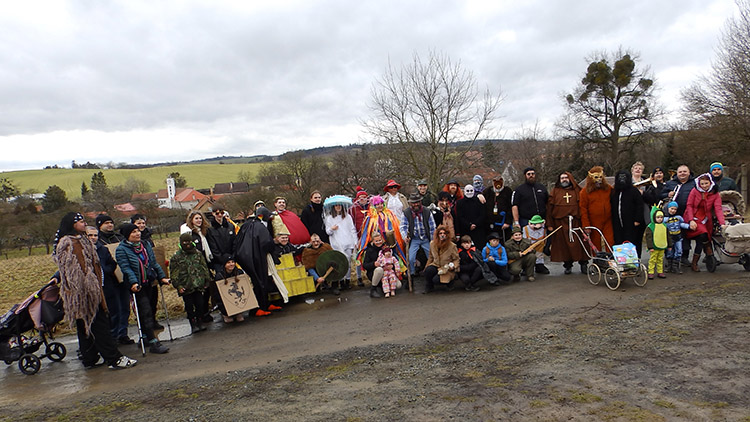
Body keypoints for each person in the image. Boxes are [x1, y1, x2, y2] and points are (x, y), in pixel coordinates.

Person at [53, 212, 137, 369]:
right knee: (99, 326)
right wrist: (87, 289)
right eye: (80, 221)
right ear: (72, 224)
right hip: (84, 293)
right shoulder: (68, 243)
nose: (84, 223)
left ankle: (89, 358)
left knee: (87, 325)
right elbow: (73, 271)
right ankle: (114, 359)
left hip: (91, 290)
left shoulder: (81, 240)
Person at [115, 223, 170, 354]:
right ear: (127, 235)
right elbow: (126, 268)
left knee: (149, 309)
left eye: (137, 231)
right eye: (133, 232)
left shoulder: (145, 245)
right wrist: (134, 282)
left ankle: (144, 337)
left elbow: (153, 263)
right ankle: (153, 342)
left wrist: (162, 277)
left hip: (148, 281)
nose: (137, 233)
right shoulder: (121, 249)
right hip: (136, 285)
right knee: (144, 311)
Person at [87, 226, 132, 346]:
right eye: (90, 235)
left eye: (95, 235)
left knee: (115, 311)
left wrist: (104, 270)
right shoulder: (81, 251)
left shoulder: (102, 249)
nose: (93, 238)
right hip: (91, 288)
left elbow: (112, 263)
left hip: (107, 285)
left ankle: (115, 336)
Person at [234, 210, 278, 317]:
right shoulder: (259, 226)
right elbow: (267, 243)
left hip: (246, 258)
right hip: (258, 258)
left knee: (257, 282)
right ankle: (260, 307)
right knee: (261, 282)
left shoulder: (246, 225)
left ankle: (265, 305)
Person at [546, 172, 588, 274]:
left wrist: (585, 224)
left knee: (580, 244)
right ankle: (568, 265)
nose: (564, 180)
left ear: (570, 179)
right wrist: (550, 224)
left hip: (576, 222)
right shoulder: (555, 191)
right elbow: (549, 209)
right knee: (564, 246)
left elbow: (584, 207)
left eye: (566, 178)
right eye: (562, 178)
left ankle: (584, 264)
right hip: (560, 222)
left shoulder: (578, 190)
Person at [683, 174, 725, 272]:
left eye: (706, 183)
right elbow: (689, 205)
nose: (704, 186)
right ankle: (708, 253)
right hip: (693, 216)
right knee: (703, 234)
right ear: (699, 183)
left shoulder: (715, 194)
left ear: (710, 183)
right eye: (702, 184)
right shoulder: (694, 191)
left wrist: (722, 223)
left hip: (705, 218)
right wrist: (691, 220)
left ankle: (696, 262)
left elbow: (718, 209)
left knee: (702, 238)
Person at [169, 233, 211, 332]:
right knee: (189, 306)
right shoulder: (176, 257)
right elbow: (174, 273)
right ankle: (193, 324)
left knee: (200, 304)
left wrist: (206, 280)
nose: (187, 244)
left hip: (198, 284)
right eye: (184, 242)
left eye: (189, 242)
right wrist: (178, 286)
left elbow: (203, 267)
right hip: (186, 286)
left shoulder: (197, 253)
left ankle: (200, 322)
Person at [181, 211, 214, 323]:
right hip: (195, 265)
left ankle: (205, 311)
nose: (199, 220)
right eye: (196, 219)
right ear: (191, 220)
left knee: (207, 288)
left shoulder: (203, 232)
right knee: (198, 291)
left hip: (205, 262)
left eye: (200, 218)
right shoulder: (189, 233)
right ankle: (198, 315)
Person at [357, 195, 406, 270]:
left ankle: (397, 272)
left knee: (393, 256)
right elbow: (367, 232)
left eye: (381, 204)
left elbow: (395, 226)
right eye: (377, 204)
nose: (380, 206)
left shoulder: (390, 214)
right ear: (374, 206)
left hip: (389, 242)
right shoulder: (370, 217)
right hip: (377, 243)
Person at [660, 164, 696, 266]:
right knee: (670, 235)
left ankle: (684, 257)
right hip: (671, 214)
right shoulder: (670, 183)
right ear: (677, 173)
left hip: (687, 213)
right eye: (680, 172)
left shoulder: (694, 183)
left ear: (689, 173)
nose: (682, 173)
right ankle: (669, 257)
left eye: (685, 171)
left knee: (685, 235)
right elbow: (661, 195)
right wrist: (668, 194)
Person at [131, 214, 161, 330]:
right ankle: (145, 326)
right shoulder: (131, 239)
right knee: (144, 303)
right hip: (140, 275)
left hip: (151, 272)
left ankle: (153, 320)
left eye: (143, 223)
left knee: (154, 298)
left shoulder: (148, 237)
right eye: (139, 223)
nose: (142, 225)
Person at [324, 195, 358, 289]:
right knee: (339, 263)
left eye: (340, 205)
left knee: (348, 263)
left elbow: (352, 229)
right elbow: (328, 232)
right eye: (336, 205)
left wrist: (355, 241)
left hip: (348, 243)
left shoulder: (348, 217)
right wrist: (332, 228)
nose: (338, 207)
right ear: (333, 207)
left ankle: (347, 281)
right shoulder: (329, 218)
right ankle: (340, 280)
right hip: (337, 244)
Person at [401, 193, 436, 276]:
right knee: (411, 258)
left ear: (420, 202)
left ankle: (432, 273)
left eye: (417, 202)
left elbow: (432, 227)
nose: (415, 204)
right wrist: (405, 236)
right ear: (410, 203)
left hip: (426, 238)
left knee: (432, 256)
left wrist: (433, 240)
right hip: (414, 239)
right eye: (413, 203)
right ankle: (412, 273)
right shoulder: (406, 213)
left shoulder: (427, 212)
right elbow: (403, 227)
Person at [579, 166, 614, 251]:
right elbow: (583, 209)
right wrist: (586, 225)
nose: (599, 179)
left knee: (610, 241)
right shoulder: (584, 192)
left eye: (601, 177)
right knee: (595, 241)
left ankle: (611, 258)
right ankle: (598, 260)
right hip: (593, 221)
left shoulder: (608, 189)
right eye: (596, 177)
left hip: (608, 219)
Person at [611, 170, 645, 256]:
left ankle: (635, 261)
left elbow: (640, 206)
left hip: (632, 223)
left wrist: (637, 219)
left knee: (633, 242)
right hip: (617, 223)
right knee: (619, 242)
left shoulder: (634, 191)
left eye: (624, 177)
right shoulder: (614, 192)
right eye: (620, 177)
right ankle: (621, 261)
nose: (622, 179)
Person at [422, 225, 459, 294]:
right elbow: (430, 257)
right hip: (436, 265)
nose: (442, 235)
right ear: (437, 234)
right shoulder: (432, 244)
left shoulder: (452, 246)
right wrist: (426, 267)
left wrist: (453, 266)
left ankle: (451, 282)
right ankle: (429, 286)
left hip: (446, 268)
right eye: (440, 233)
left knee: (436, 280)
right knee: (428, 271)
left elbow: (456, 259)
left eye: (444, 233)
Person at [212, 257, 246, 323]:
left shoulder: (239, 272)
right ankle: (225, 314)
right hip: (225, 301)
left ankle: (238, 312)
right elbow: (216, 294)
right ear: (224, 264)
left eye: (232, 262)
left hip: (237, 299)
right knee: (229, 320)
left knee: (240, 319)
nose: (231, 264)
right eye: (228, 263)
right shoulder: (219, 276)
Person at [206, 206, 237, 274]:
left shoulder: (231, 226)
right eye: (217, 213)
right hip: (219, 262)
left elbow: (235, 242)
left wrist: (232, 258)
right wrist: (223, 260)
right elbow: (213, 246)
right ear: (213, 214)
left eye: (222, 213)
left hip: (232, 261)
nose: (220, 215)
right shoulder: (210, 229)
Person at [484, 175, 513, 243]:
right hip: (490, 223)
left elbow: (511, 207)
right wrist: (479, 196)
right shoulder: (487, 191)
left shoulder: (508, 191)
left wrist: (507, 222)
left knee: (504, 241)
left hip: (503, 224)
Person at [350, 187, 370, 286]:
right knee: (358, 257)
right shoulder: (353, 209)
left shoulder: (371, 207)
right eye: (360, 197)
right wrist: (355, 239)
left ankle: (371, 275)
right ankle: (359, 277)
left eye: (364, 197)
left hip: (370, 235)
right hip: (359, 236)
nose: (362, 199)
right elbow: (352, 224)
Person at [644, 208, 672, 279]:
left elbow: (667, 236)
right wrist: (650, 247)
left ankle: (660, 271)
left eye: (661, 217)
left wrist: (669, 245)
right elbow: (648, 238)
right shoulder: (651, 227)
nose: (660, 219)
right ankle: (651, 272)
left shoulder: (664, 226)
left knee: (660, 259)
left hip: (662, 246)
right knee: (652, 260)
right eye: (658, 217)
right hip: (654, 247)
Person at [664, 201, 690, 274]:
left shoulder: (678, 218)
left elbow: (681, 224)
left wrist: (688, 226)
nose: (673, 211)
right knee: (669, 252)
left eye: (675, 209)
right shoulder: (665, 219)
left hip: (678, 237)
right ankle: (669, 265)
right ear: (668, 208)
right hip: (669, 238)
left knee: (679, 251)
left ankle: (676, 266)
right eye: (671, 209)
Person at [361, 232, 387, 298]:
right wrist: (373, 264)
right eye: (376, 241)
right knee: (379, 270)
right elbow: (365, 265)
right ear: (373, 241)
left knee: (398, 285)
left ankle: (383, 286)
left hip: (387, 272)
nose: (379, 242)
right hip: (373, 273)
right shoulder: (369, 250)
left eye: (380, 240)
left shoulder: (386, 248)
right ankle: (373, 289)